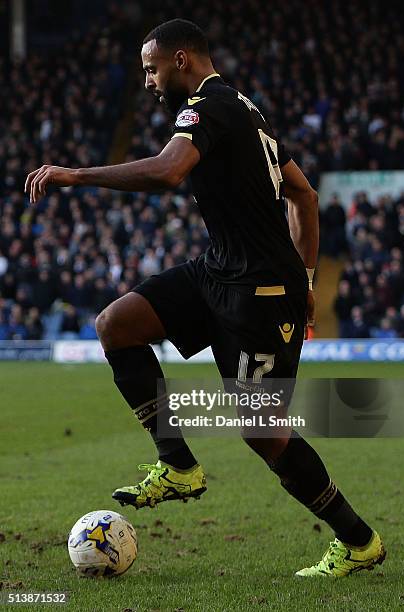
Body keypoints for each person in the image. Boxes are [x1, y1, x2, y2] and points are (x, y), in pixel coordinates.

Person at [25, 19, 385, 577]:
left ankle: (359, 542)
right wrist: (310, 278)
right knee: (116, 324)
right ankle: (177, 464)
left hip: (262, 294)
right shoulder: (248, 111)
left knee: (263, 434)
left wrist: (74, 174)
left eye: (152, 68)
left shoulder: (208, 105)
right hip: (221, 273)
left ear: (183, 60)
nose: (147, 80)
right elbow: (303, 195)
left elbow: (171, 172)